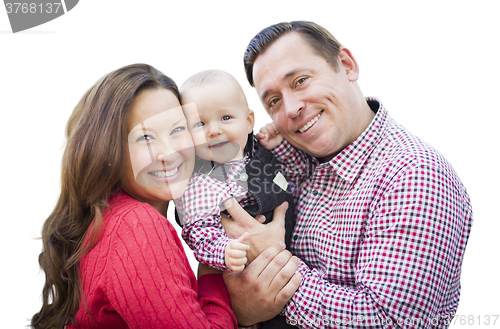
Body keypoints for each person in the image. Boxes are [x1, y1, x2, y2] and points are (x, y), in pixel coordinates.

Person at [221, 21, 473, 328]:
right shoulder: (293, 163)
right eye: (273, 100)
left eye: (300, 80)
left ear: (347, 65)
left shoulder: (414, 175)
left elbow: (390, 321)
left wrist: (271, 268)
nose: (291, 108)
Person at [30, 63, 300, 328]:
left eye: (177, 130)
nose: (168, 153)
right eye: (145, 138)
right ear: (108, 150)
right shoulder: (136, 225)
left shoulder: (111, 217)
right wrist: (224, 290)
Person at [174, 70, 296, 273]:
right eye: (200, 124)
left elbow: (295, 175)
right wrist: (224, 251)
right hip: (249, 268)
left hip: (297, 249)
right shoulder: (200, 183)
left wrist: (279, 144)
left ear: (249, 122)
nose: (213, 130)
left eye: (226, 117)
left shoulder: (259, 150)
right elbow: (199, 232)